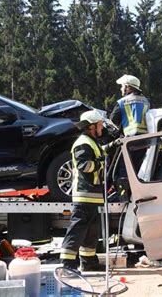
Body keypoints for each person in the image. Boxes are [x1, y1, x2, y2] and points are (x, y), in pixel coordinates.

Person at [60, 109, 108, 273]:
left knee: (91, 232)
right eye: (99, 125)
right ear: (91, 127)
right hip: (84, 194)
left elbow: (96, 155)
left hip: (93, 196)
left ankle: (88, 262)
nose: (102, 128)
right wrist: (101, 163)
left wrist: (110, 147)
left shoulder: (91, 142)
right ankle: (68, 264)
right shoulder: (82, 143)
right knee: (78, 229)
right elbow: (85, 166)